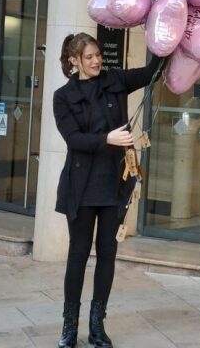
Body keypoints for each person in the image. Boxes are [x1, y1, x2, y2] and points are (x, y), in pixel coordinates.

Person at [53, 33, 163, 348]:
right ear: (75, 61)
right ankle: (69, 328)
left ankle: (97, 327)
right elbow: (73, 138)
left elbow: (148, 74)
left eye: (98, 55)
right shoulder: (63, 96)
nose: (97, 61)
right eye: (89, 57)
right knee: (77, 254)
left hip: (113, 183)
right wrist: (107, 140)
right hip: (82, 184)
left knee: (108, 254)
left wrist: (162, 43)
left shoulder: (114, 80)